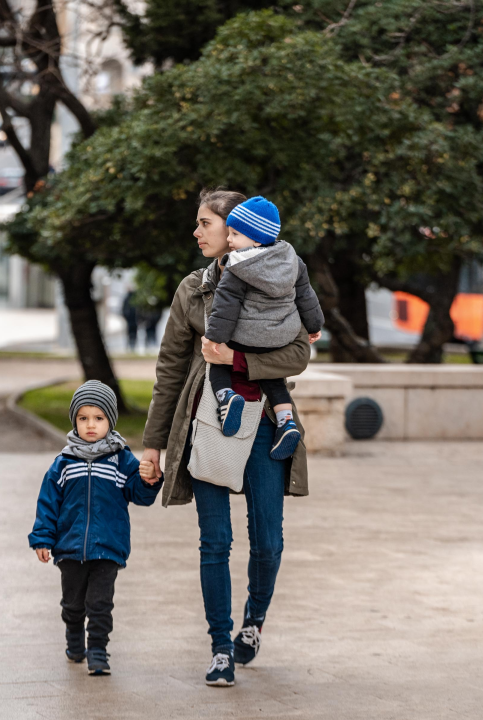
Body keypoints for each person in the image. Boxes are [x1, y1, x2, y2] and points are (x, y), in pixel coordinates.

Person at [139, 188, 311, 687]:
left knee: (268, 542)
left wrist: (238, 360)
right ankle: (220, 647)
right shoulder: (192, 289)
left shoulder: (279, 274)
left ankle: (252, 622)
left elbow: (299, 353)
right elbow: (170, 370)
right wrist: (153, 444)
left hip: (266, 426)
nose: (197, 232)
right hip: (208, 423)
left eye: (205, 223)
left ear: (236, 230)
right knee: (214, 541)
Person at [28, 381, 162, 676]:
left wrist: (149, 479)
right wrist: (42, 538)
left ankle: (98, 651)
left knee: (100, 604)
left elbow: (139, 495)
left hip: (108, 548)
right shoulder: (64, 463)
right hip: (69, 548)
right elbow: (48, 503)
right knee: (73, 605)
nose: (91, 425)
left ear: (110, 421)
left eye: (98, 418)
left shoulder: (121, 460)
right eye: (83, 418)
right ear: (74, 421)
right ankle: (74, 637)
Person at [202, 196, 323, 459]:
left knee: (218, 364)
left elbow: (227, 304)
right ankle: (286, 421)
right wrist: (314, 325)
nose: (229, 239)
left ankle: (226, 397)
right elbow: (306, 295)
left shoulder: (237, 264)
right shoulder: (293, 260)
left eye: (235, 234)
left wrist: (215, 338)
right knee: (272, 376)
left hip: (246, 335)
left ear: (256, 239)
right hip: (281, 335)